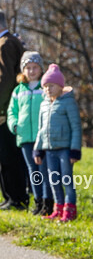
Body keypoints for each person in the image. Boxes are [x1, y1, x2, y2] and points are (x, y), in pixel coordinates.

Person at [33, 63, 82, 222]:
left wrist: (75, 150)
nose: (48, 89)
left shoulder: (68, 103)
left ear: (60, 86)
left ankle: (70, 210)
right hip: (49, 150)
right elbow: (41, 129)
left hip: (65, 150)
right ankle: (58, 209)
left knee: (66, 179)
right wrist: (38, 149)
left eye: (51, 86)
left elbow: (76, 127)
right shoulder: (43, 104)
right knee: (54, 180)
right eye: (45, 86)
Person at [7, 51, 52, 215]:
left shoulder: (46, 87)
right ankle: (38, 202)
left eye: (35, 67)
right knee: (32, 171)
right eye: (28, 68)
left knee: (44, 170)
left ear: (41, 69)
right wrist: (14, 125)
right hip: (25, 137)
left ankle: (48, 202)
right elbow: (12, 111)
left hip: (44, 137)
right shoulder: (18, 90)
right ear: (23, 70)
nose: (31, 71)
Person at [0, 10, 28, 209]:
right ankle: (10, 197)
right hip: (10, 108)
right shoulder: (8, 42)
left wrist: (1, 109)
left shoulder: (5, 44)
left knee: (9, 157)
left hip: (6, 110)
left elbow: (5, 80)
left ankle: (16, 199)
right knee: (6, 157)